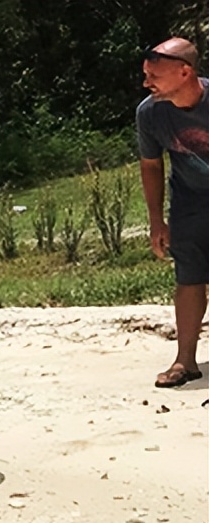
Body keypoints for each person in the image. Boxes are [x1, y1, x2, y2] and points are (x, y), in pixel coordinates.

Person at [136, 37, 209, 388]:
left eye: (154, 75)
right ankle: (185, 361)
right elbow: (150, 165)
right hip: (189, 199)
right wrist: (155, 220)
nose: (146, 82)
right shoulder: (150, 112)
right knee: (188, 275)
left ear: (184, 72)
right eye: (145, 74)